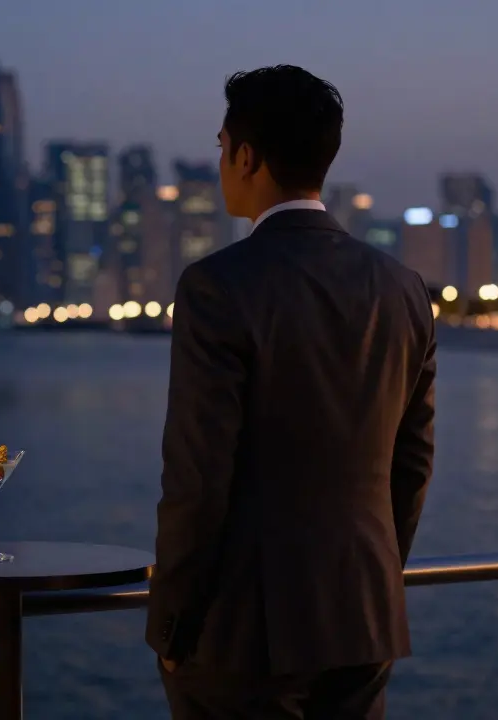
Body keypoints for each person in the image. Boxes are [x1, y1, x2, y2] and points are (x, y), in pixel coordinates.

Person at [146, 65, 437, 719]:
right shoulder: (403, 288)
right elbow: (411, 466)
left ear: (247, 157)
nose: (220, 161)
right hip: (362, 620)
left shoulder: (217, 286)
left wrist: (171, 626)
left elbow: (198, 480)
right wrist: (373, 581)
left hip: (244, 635)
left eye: (222, 146)